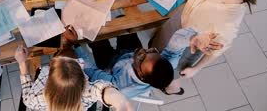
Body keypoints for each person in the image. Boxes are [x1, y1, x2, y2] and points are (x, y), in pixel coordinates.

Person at [65, 26, 222, 98]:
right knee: (122, 23)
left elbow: (90, 70)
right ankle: (169, 88)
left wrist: (75, 44)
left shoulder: (120, 86)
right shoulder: (164, 62)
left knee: (96, 40)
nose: (143, 51)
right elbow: (175, 44)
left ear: (140, 73)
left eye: (142, 57)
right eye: (152, 52)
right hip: (126, 56)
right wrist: (192, 38)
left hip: (111, 65)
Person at [15, 45, 133, 111]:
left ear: (48, 80)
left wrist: (22, 63)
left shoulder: (35, 98)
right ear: (84, 79)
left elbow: (26, 97)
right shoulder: (87, 92)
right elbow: (100, 90)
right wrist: (120, 100)